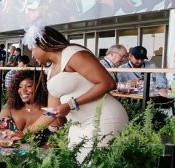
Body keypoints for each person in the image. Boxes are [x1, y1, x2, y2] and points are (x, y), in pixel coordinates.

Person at [24, 25, 128, 158]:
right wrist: (25, 133)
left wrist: (70, 105)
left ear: (42, 44)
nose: (32, 55)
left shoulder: (73, 54)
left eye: (32, 49)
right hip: (78, 125)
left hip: (103, 118)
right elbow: (53, 111)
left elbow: (107, 83)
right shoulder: (51, 70)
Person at [0, 70, 48, 144]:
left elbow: (56, 143)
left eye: (29, 86)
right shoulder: (10, 107)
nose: (23, 90)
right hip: (6, 154)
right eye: (20, 87)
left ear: (40, 88)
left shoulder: (50, 113)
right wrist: (1, 141)